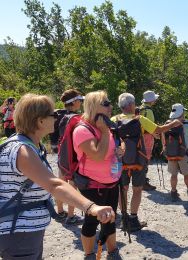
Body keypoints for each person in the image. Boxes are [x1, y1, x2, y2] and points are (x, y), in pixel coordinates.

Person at [0, 93, 115, 260]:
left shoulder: (28, 145)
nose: (57, 118)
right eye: (53, 115)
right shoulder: (22, 151)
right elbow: (54, 185)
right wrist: (91, 207)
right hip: (18, 232)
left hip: (21, 229)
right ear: (39, 121)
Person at [112, 93, 182, 232]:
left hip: (120, 161)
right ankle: (133, 219)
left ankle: (124, 218)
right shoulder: (140, 119)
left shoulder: (114, 119)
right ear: (131, 105)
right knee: (137, 189)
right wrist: (175, 123)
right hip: (138, 159)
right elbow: (159, 130)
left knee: (122, 190)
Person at [72, 90, 123, 259]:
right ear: (94, 106)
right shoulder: (83, 130)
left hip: (111, 182)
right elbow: (98, 156)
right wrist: (104, 130)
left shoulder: (106, 125)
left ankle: (113, 251)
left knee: (110, 217)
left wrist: (121, 149)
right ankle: (89, 254)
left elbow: (117, 144)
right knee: (92, 221)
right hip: (92, 184)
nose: (111, 106)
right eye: (106, 103)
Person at [52, 89, 85, 225]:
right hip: (72, 156)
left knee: (60, 182)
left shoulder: (56, 114)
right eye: (80, 100)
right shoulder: (75, 118)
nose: (81, 103)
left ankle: (60, 212)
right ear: (75, 102)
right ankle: (71, 216)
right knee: (72, 186)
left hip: (60, 154)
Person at [139, 90, 160, 191]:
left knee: (141, 157)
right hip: (147, 137)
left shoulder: (140, 108)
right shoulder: (149, 111)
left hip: (139, 136)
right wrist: (155, 135)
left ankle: (140, 180)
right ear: (152, 100)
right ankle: (143, 182)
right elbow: (149, 127)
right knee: (146, 158)